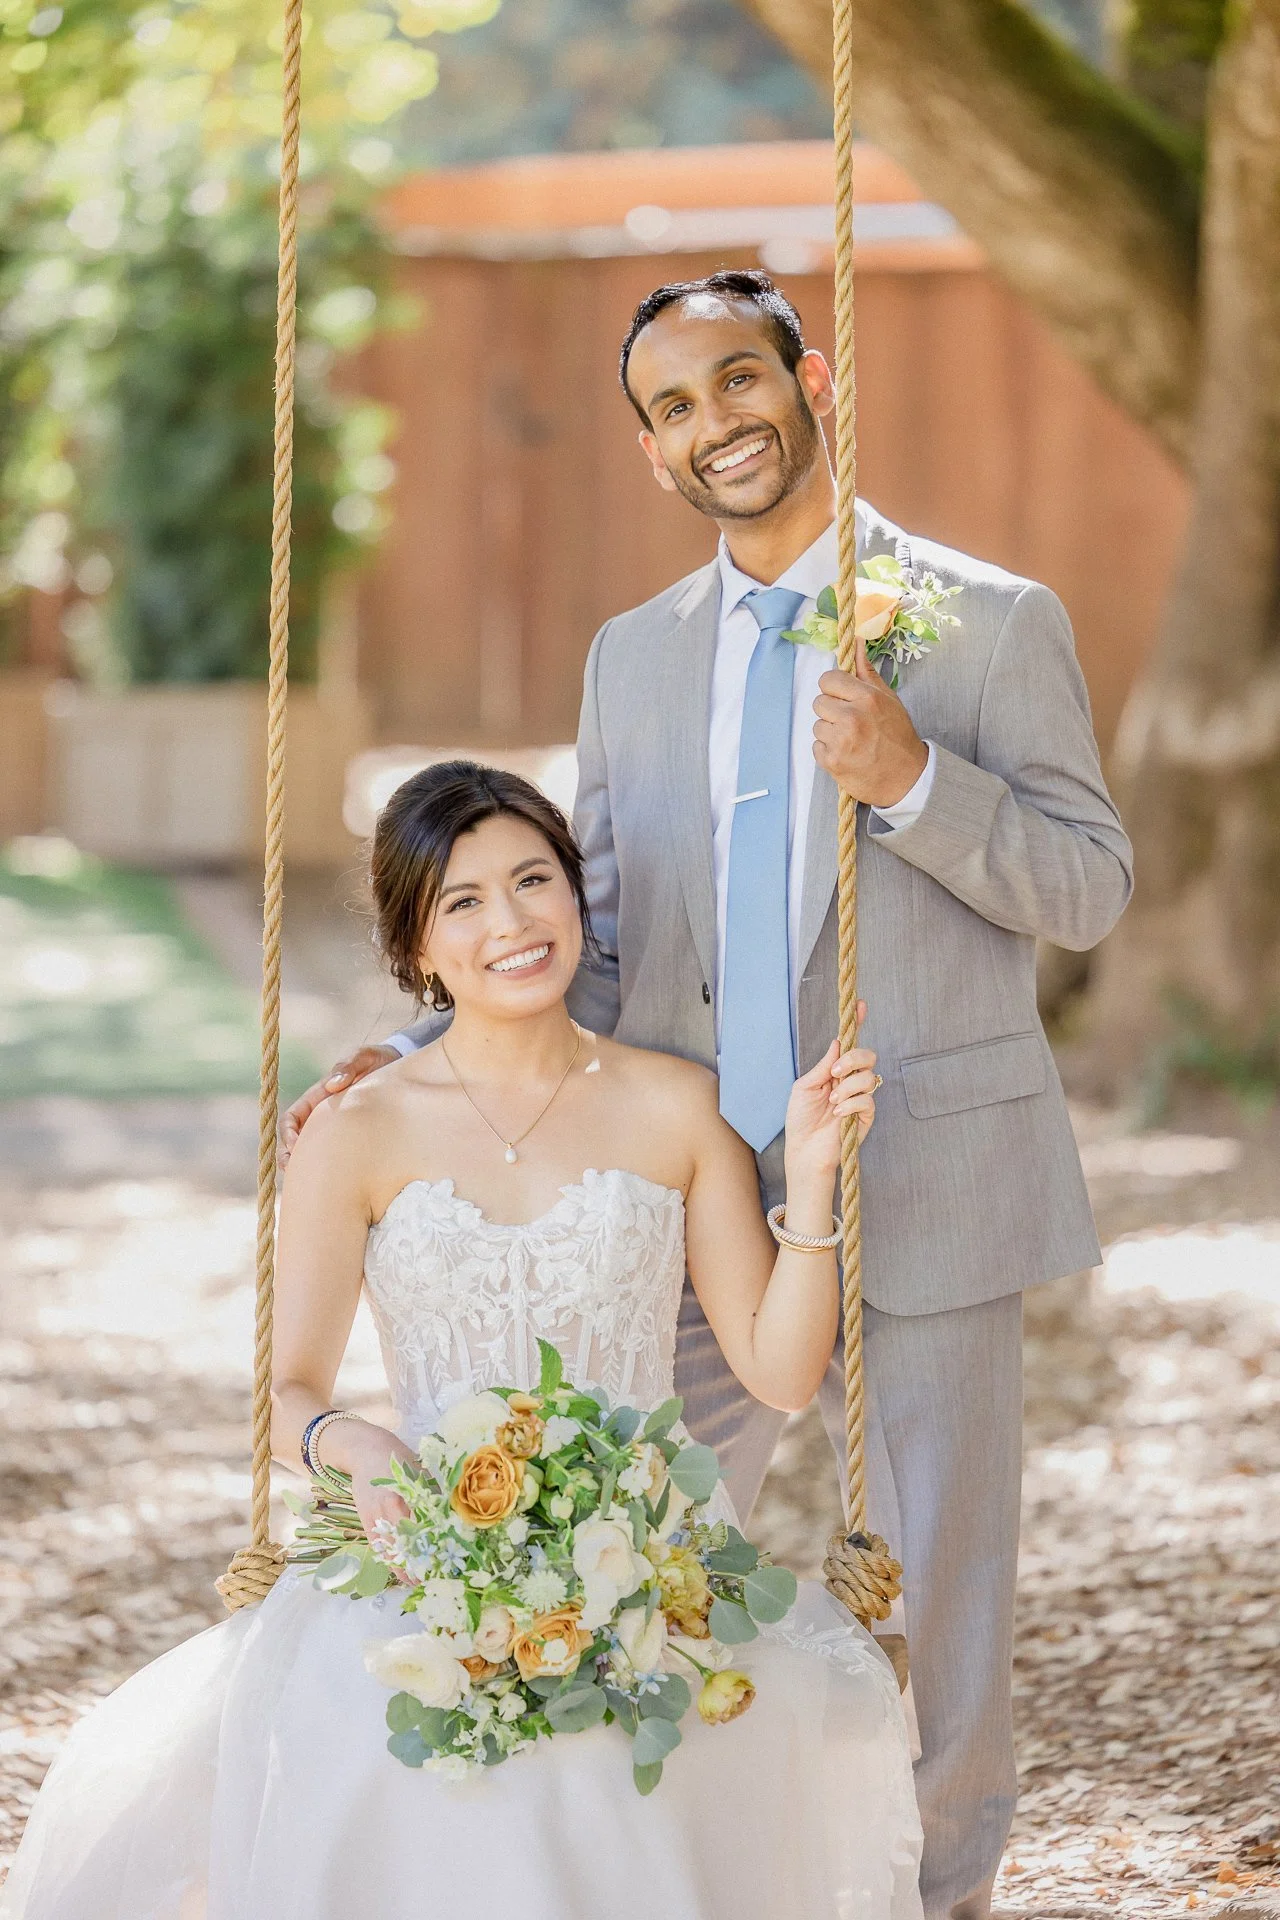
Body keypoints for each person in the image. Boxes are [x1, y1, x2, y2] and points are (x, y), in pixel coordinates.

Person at [281, 272, 1134, 1919]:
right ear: (653, 444)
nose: (714, 426)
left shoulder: (988, 618)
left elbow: (1090, 889)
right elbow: (587, 934)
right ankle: (641, 1867)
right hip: (671, 1198)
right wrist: (411, 1064)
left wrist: (919, 785)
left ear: (809, 377)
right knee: (621, 1552)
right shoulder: (633, 656)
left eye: (738, 382)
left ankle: (940, 1884)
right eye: (671, 408)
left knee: (932, 1586)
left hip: (921, 1181)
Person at [2, 762, 924, 1920]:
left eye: (533, 881)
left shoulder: (675, 1107)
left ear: (576, 898)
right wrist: (359, 1446)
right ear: (416, 947)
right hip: (424, 1572)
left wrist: (816, 1174)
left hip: (650, 1573)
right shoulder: (359, 1129)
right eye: (464, 901)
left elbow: (779, 1370)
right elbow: (283, 1392)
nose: (512, 923)